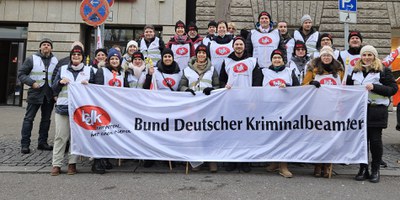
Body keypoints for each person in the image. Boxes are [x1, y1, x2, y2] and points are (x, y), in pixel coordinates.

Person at [346, 45, 398, 183]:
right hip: (359, 111)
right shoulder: (355, 71)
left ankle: (375, 169)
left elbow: (393, 89)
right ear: (361, 57)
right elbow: (348, 90)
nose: (367, 58)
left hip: (377, 110)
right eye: (364, 55)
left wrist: (375, 87)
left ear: (374, 56)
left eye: (370, 55)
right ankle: (363, 169)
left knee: (375, 141)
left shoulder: (383, 70)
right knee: (362, 142)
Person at [50, 45, 95, 176]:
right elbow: (53, 87)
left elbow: (95, 91)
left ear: (82, 57)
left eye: (79, 55)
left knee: (76, 137)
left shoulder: (89, 70)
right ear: (70, 56)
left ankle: (72, 163)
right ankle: (56, 164)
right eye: (74, 55)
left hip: (79, 110)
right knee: (60, 136)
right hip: (62, 107)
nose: (76, 57)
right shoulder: (62, 69)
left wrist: (89, 85)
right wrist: (60, 82)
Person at [219, 37, 262, 172]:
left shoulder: (252, 61)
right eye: (236, 44)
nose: (238, 46)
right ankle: (232, 160)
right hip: (231, 102)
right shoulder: (226, 61)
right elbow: (221, 80)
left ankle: (245, 161)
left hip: (247, 102)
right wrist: (224, 86)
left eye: (241, 44)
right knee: (231, 131)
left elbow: (257, 81)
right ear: (233, 46)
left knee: (246, 133)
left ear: (244, 46)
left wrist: (254, 100)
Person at [302, 46, 344, 178]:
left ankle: (327, 164)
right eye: (324, 55)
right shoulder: (313, 69)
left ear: (332, 57)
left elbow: (344, 86)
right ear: (320, 57)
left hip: (333, 108)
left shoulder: (339, 70)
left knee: (330, 137)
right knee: (317, 137)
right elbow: (303, 85)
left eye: (328, 55)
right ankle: (317, 164)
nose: (326, 57)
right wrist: (311, 83)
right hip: (317, 108)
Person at [178, 44, 220, 172]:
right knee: (195, 133)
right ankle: (197, 160)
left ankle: (212, 160)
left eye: (203, 53)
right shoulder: (187, 70)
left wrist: (212, 89)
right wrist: (187, 89)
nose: (201, 55)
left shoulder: (212, 69)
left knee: (209, 132)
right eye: (199, 53)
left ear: (207, 55)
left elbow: (218, 85)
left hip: (208, 106)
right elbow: (181, 86)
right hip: (193, 106)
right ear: (196, 55)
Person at [262, 49, 299, 178]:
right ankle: (274, 162)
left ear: (283, 60)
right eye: (274, 58)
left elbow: (297, 89)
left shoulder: (289, 72)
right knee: (272, 136)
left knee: (284, 137)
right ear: (271, 60)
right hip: (270, 108)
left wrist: (287, 87)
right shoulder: (264, 72)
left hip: (286, 109)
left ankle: (283, 166)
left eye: (279, 58)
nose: (277, 60)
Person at [18, 38, 58, 154]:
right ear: (40, 47)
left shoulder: (56, 60)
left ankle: (42, 143)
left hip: (49, 96)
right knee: (29, 119)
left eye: (48, 45)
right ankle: (25, 144)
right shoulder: (31, 59)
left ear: (51, 48)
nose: (46, 46)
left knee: (46, 120)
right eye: (44, 45)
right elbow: (21, 74)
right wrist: (31, 82)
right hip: (35, 94)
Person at [92, 48, 127, 174]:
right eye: (112, 58)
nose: (114, 60)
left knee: (110, 134)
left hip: (117, 109)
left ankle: (106, 158)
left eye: (116, 58)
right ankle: (97, 162)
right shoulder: (102, 71)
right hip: (104, 108)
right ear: (108, 60)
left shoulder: (122, 73)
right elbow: (97, 89)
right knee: (101, 133)